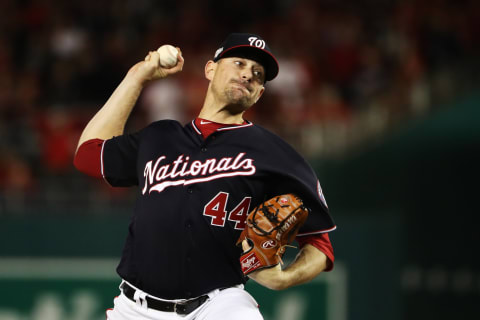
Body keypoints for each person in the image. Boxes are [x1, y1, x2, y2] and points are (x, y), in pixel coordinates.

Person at [74, 33, 336, 320]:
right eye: (239, 63)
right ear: (210, 70)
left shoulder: (277, 155)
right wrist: (136, 78)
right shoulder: (159, 137)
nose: (248, 73)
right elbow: (88, 155)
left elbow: (319, 244)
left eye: (258, 74)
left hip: (220, 304)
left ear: (259, 93)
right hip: (134, 308)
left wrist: (284, 278)